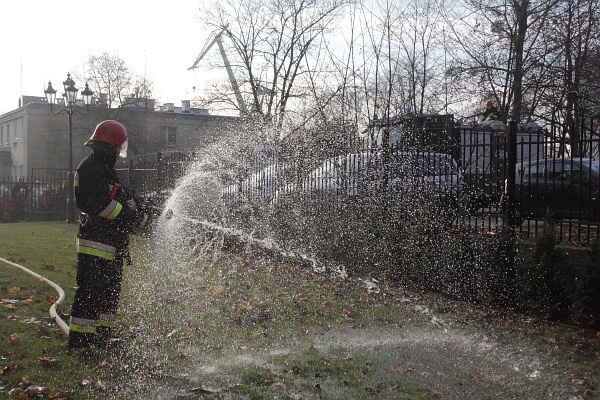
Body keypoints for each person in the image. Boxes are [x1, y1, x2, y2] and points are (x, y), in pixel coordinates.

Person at [68, 120, 155, 352]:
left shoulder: (104, 168)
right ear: (110, 146)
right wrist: (131, 216)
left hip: (110, 243)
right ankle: (81, 341)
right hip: (95, 243)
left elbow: (120, 193)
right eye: (117, 148)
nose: (118, 153)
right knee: (91, 292)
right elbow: (102, 206)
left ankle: (102, 337)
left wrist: (142, 206)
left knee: (109, 292)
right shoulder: (90, 168)